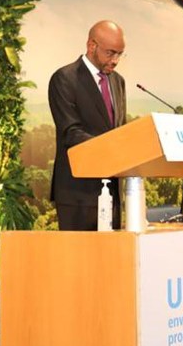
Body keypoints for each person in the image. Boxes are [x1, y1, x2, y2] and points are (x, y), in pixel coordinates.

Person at [48, 20, 127, 231]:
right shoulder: (64, 78)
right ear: (92, 45)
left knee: (112, 261)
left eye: (120, 54)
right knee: (79, 263)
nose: (116, 60)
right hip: (78, 194)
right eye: (111, 53)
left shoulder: (118, 82)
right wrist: (111, 148)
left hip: (112, 192)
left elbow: (120, 130)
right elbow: (71, 132)